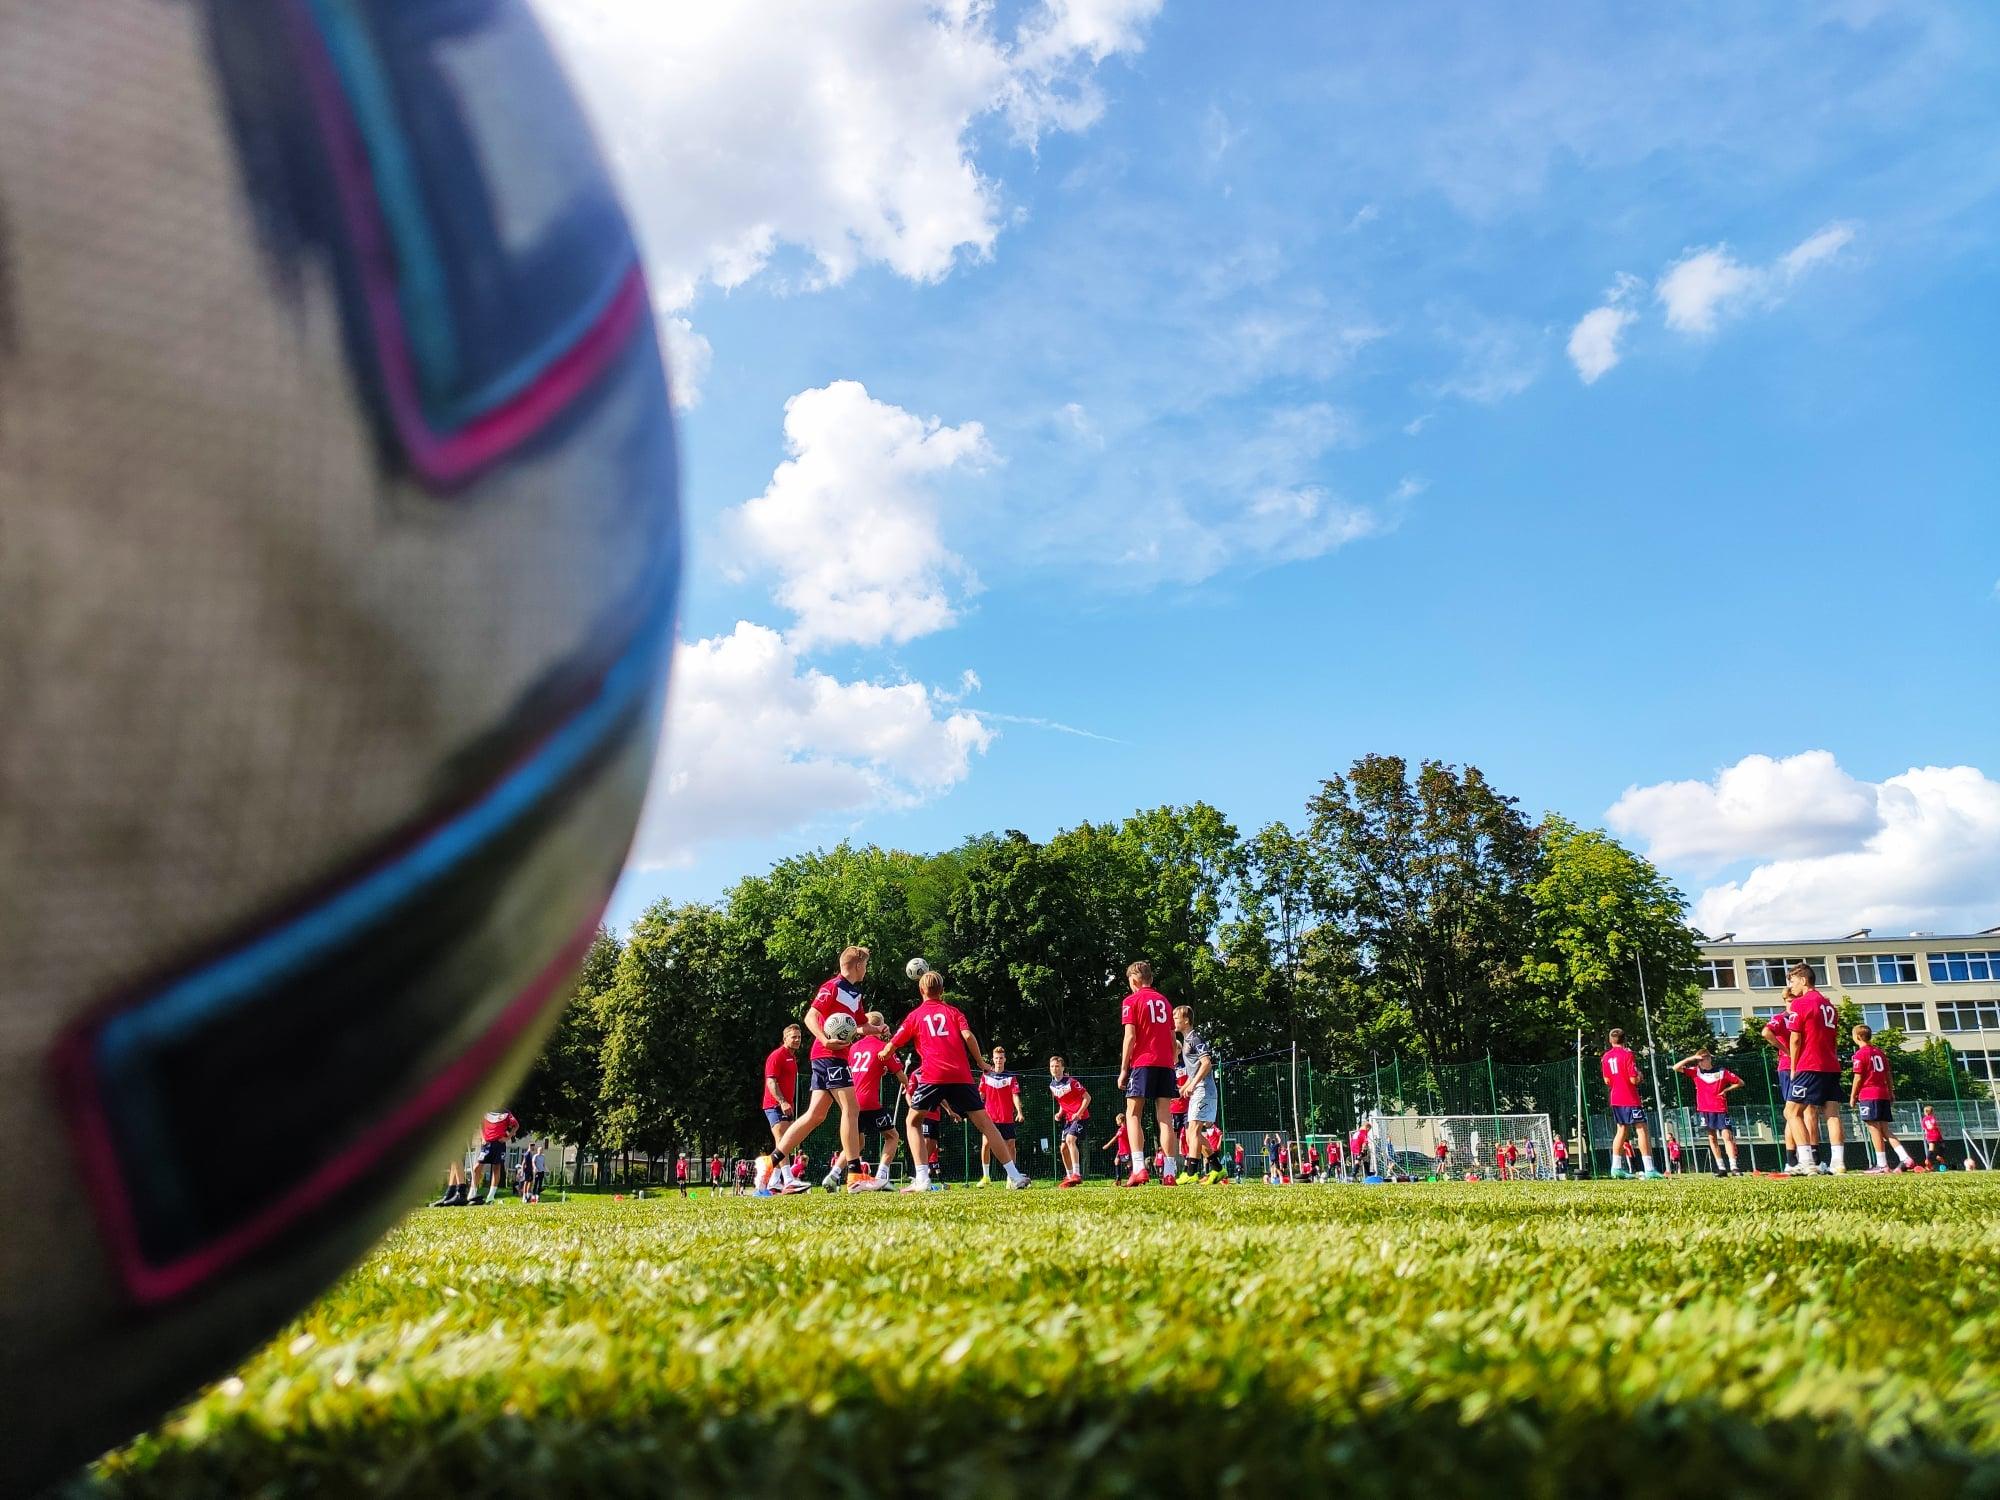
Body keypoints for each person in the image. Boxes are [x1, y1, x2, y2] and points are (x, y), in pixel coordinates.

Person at [887, 970, 1030, 1193]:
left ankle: (922, 1179)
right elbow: (968, 1036)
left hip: (933, 1075)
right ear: (942, 991)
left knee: (913, 1122)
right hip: (961, 1075)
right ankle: (1014, 1175)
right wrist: (981, 1063)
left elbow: (895, 1042)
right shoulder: (953, 1012)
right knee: (986, 1125)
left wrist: (884, 1052)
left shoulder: (915, 1016)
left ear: (921, 990)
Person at [763, 947, 877, 1194]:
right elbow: (810, 1017)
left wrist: (877, 1030)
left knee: (815, 1115)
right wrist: (825, 1040)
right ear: (857, 965)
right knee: (851, 1108)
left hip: (834, 1056)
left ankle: (769, 1162)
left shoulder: (855, 993)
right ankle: (854, 1175)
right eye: (866, 965)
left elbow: (859, 1025)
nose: (866, 970)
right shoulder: (832, 986)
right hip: (828, 1055)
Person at [1764, 963, 1847, 1175]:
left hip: (1810, 1064)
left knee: (1791, 1111)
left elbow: (1795, 1039)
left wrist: (1794, 1067)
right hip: (1831, 1064)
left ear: (1803, 980)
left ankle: (1806, 1161)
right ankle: (1838, 1162)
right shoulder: (1829, 1005)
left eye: (1792, 981)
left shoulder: (1800, 1004)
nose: (1791, 986)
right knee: (1832, 1113)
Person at [1116, 960, 1182, 1186]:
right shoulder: (1165, 1001)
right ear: (1151, 979)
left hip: (1143, 1062)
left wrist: (1124, 1069)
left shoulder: (1131, 1001)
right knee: (1165, 1117)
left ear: (1134, 980)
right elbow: (1173, 1037)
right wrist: (1172, 1060)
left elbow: (1130, 1037)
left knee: (1133, 1114)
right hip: (1166, 1064)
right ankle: (1170, 1172)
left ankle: (1139, 1168)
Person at [845, 1010, 908, 1191]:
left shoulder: (853, 1048)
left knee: (854, 1143)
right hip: (869, 1102)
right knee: (892, 1136)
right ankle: (881, 1176)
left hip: (851, 1101)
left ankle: (834, 1175)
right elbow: (900, 1074)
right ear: (880, 1026)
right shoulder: (883, 1047)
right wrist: (908, 1086)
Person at [1848, 1025, 1916, 1172]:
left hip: (1869, 1094)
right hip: (1883, 1093)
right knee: (1885, 1129)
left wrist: (1853, 1095)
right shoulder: (1880, 1053)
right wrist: (1891, 1092)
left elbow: (1858, 1077)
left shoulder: (1860, 1054)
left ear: (1858, 1037)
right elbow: (1888, 1074)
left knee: (1874, 1129)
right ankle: (1905, 1157)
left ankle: (1882, 1164)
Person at [1674, 1048, 1745, 1176]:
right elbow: (1676, 1067)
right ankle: (1721, 1168)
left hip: (1720, 1108)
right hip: (1705, 1109)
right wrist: (1690, 1058)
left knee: (1727, 1136)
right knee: (1712, 1138)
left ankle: (1734, 1167)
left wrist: (1726, 1090)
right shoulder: (1696, 1071)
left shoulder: (1721, 1071)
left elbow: (1740, 1082)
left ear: (1710, 1058)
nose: (1703, 1061)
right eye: (1700, 1059)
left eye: (1706, 1058)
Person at [1601, 1029, 1660, 1179]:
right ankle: (1649, 1169)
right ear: (1625, 1039)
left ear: (1610, 1040)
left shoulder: (1606, 1057)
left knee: (1621, 1130)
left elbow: (1607, 1080)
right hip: (1629, 1098)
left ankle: (1616, 1168)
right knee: (1641, 1129)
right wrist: (1639, 1076)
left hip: (1615, 1098)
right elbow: (1633, 1079)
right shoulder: (1627, 1054)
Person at [756, 1023, 804, 1193]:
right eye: (793, 1037)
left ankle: (774, 1181)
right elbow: (771, 1081)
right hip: (774, 1105)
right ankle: (788, 1179)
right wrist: (782, 1101)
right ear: (785, 1038)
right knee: (783, 1140)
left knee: (787, 1142)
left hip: (786, 1106)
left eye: (799, 1037)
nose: (797, 1040)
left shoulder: (792, 1057)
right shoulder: (777, 1056)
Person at [1174, 1006, 1220, 1180]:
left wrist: (1193, 1084)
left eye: (1176, 1018)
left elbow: (1206, 1063)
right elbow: (1193, 1072)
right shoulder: (1186, 1041)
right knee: (1193, 1134)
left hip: (1204, 1090)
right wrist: (1182, 1089)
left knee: (1192, 1130)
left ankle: (1191, 1173)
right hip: (1197, 1090)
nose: (1173, 1021)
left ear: (1186, 1020)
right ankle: (1218, 1168)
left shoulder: (1195, 1038)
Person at [976, 1047, 1024, 1186]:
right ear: (993, 1059)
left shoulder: (1010, 1077)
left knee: (1011, 1145)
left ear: (1005, 1059)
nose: (998, 1060)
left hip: (1006, 1117)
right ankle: (986, 1177)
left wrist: (1019, 1112)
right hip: (989, 1118)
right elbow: (981, 1095)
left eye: (1001, 1058)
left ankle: (1012, 1178)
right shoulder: (986, 1075)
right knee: (986, 1144)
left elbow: (1015, 1095)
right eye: (996, 1058)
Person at [1048, 1055, 1092, 1187]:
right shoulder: (1052, 1086)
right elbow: (1062, 1102)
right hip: (1068, 1119)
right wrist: (1060, 1113)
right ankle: (1069, 1176)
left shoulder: (1072, 1082)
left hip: (1080, 1117)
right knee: (1063, 1149)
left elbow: (1087, 1097)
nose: (1054, 1069)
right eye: (1052, 1066)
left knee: (1070, 1140)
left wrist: (1079, 1113)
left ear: (1063, 1068)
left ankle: (1077, 1174)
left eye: (1057, 1066)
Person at [470, 1108, 518, 1204]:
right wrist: (483, 1138)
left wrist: (507, 1138)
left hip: (499, 1144)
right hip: (487, 1144)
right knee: (477, 1168)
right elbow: (480, 1124)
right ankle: (472, 1194)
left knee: (496, 1168)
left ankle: (490, 1197)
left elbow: (516, 1125)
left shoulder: (506, 1112)